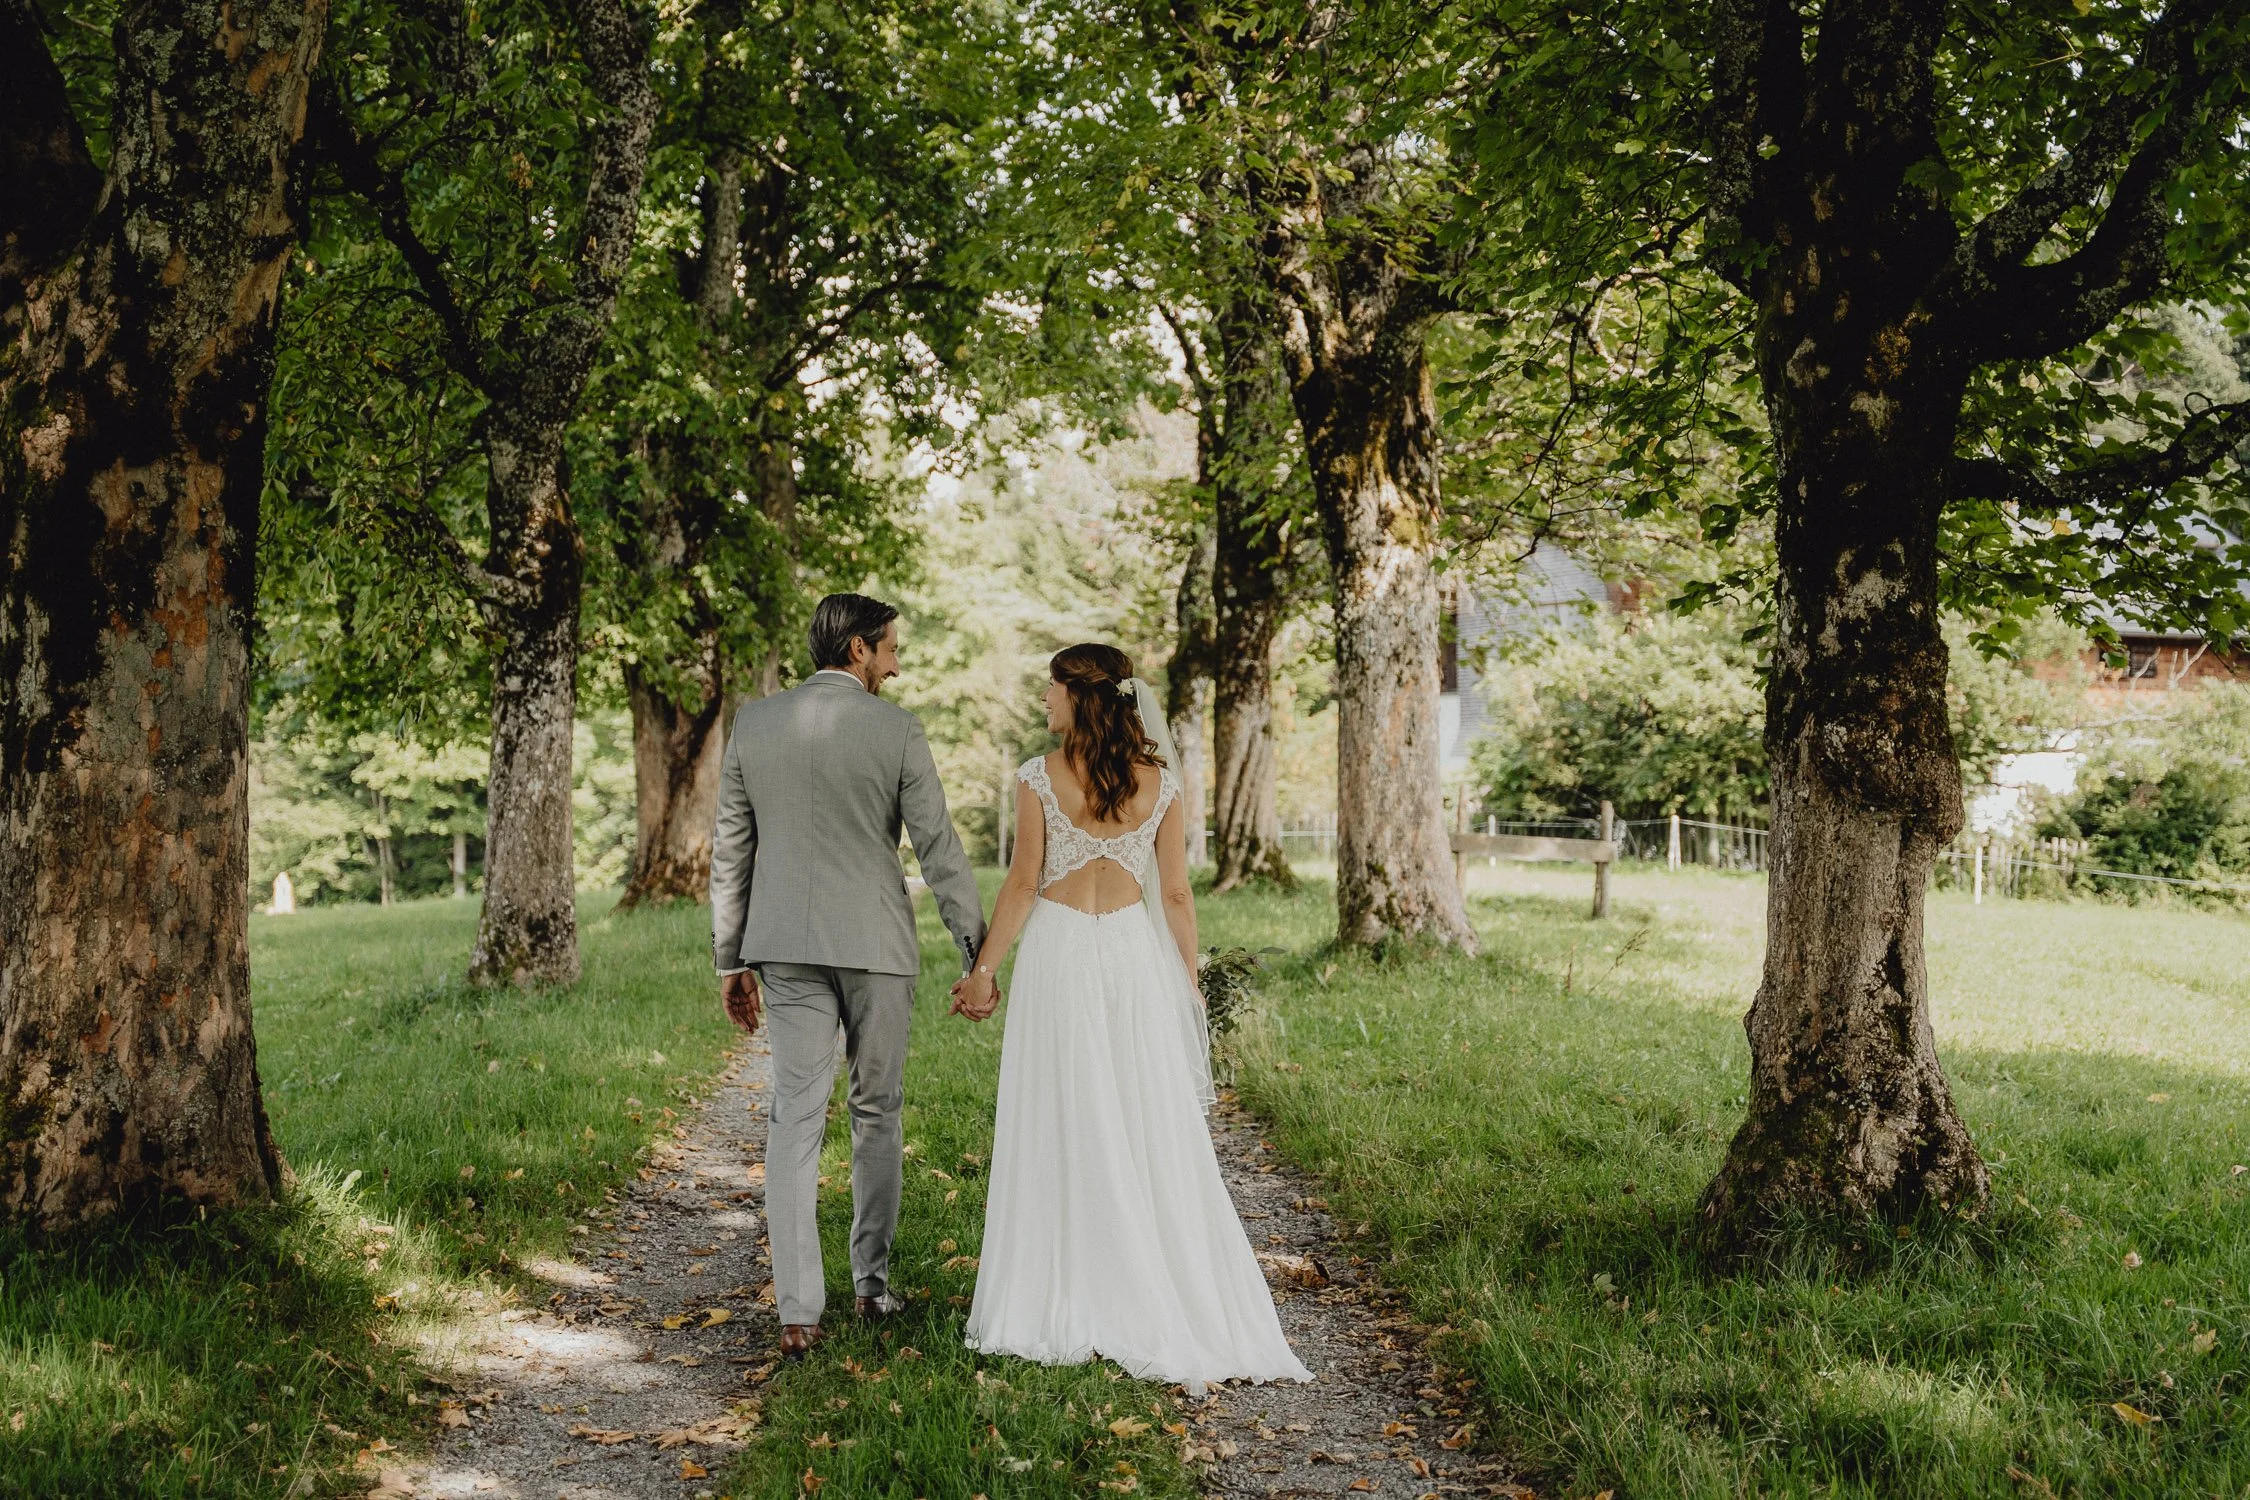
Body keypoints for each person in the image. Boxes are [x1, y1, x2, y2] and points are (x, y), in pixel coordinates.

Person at [955, 643, 1310, 1392]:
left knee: (1062, 1112)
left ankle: (1067, 1285)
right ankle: (1151, 1280)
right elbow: (1176, 896)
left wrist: (984, 970)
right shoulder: (1161, 783)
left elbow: (1022, 885)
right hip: (1129, 957)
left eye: (1051, 690)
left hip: (1057, 954)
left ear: (1078, 696)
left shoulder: (1038, 778)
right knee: (1142, 1118)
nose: (1044, 702)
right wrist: (1185, 978)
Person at [709, 593, 986, 1360]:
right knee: (877, 1111)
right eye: (890, 647)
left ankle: (798, 1310)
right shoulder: (896, 730)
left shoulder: (754, 724)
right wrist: (977, 953)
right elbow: (939, 848)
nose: (896, 661)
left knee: (794, 1117)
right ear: (858, 650)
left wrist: (730, 958)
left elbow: (731, 850)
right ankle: (872, 1284)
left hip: (784, 948)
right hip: (875, 948)